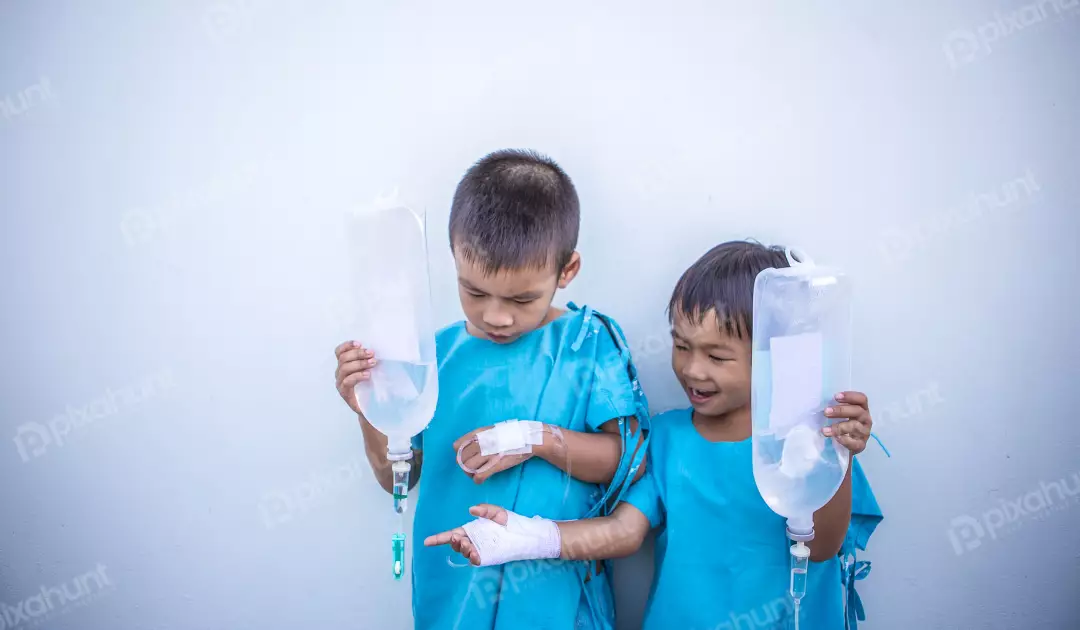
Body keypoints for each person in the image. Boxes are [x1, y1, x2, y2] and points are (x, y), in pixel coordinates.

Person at [426, 240, 884, 629]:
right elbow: (623, 532)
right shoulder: (666, 439)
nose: (691, 369)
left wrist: (834, 454)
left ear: (772, 355)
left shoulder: (806, 442)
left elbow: (820, 546)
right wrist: (525, 537)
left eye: (717, 356)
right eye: (681, 346)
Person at [334, 149, 649, 630]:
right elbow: (399, 476)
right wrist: (368, 408)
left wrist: (533, 439)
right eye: (475, 292)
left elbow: (628, 459)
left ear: (567, 271)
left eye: (522, 299)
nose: (496, 316)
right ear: (455, 259)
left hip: (559, 603)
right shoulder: (431, 356)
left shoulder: (589, 343)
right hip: (455, 601)